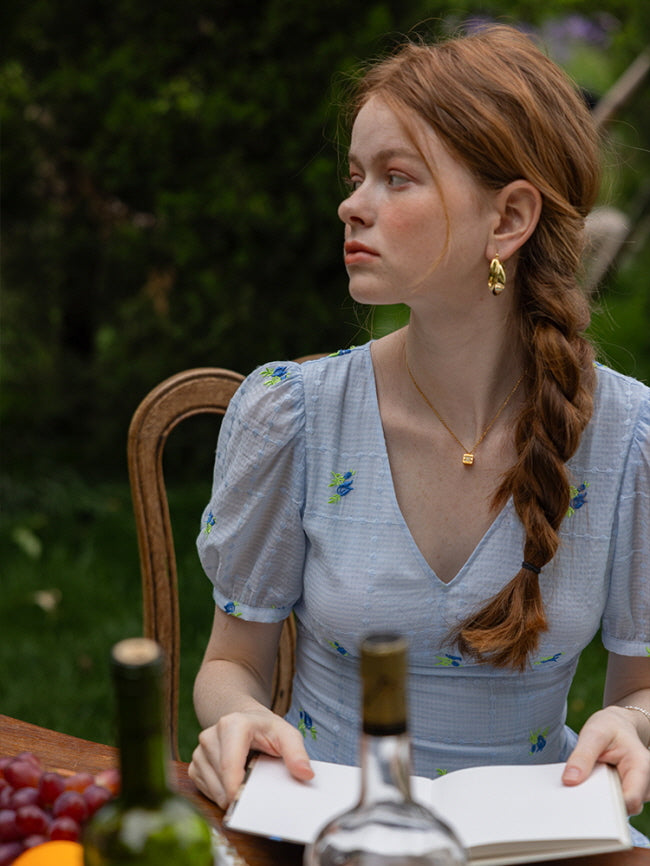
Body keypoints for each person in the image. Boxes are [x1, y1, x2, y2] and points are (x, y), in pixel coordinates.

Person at [188, 24, 650, 842]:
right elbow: (232, 665)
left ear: (508, 218)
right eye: (357, 174)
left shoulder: (628, 438)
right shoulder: (294, 414)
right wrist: (235, 718)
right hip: (326, 838)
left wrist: (633, 727)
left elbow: (640, 691)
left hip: (539, 850)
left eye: (396, 179)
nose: (351, 203)